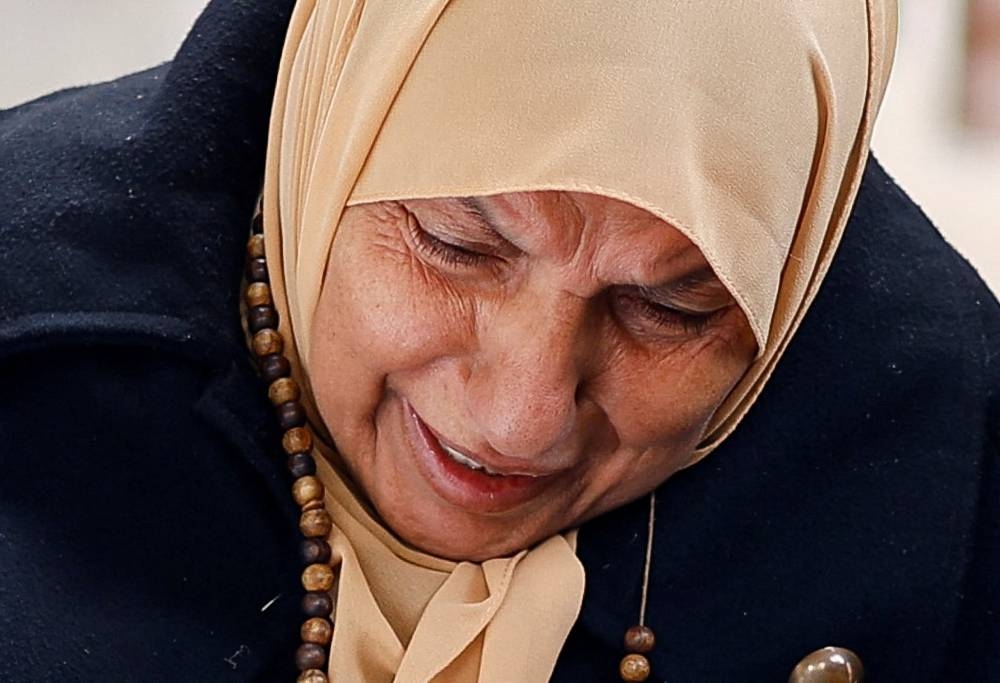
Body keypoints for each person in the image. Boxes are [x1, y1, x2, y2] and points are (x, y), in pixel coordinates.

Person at [0, 1, 996, 681]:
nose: (518, 420)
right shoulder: (32, 332)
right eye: (458, 244)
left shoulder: (948, 494)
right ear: (329, 126)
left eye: (671, 307)